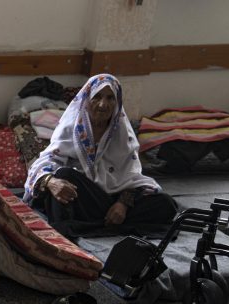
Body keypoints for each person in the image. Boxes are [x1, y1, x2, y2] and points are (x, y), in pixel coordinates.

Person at [23, 73, 178, 239]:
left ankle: (88, 226)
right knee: (64, 175)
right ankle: (95, 226)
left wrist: (123, 204)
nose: (103, 105)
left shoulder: (122, 135)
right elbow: (46, 161)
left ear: (117, 102)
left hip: (110, 201)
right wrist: (51, 182)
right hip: (81, 198)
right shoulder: (72, 129)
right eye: (97, 97)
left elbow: (132, 176)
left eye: (110, 98)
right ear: (86, 100)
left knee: (166, 204)